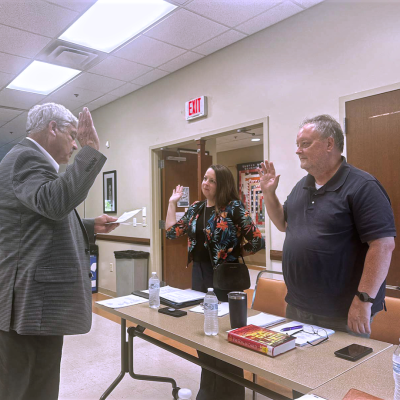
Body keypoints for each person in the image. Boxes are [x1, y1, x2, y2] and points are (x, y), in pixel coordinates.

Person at [0, 103, 119, 400]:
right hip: (29, 306)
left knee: (38, 381)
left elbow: (38, 217)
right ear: (52, 128)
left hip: (34, 303)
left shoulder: (27, 162)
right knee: (28, 387)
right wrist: (91, 151)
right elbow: (54, 203)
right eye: (71, 134)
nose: (76, 143)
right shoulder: (25, 158)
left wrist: (91, 225)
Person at [260, 114, 396, 337]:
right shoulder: (301, 186)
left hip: (342, 312)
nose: (298, 151)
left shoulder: (362, 186)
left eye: (305, 144)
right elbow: (283, 224)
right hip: (298, 306)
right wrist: (268, 193)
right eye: (298, 145)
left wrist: (363, 300)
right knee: (295, 370)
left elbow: (382, 245)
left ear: (329, 144)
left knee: (339, 372)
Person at [166, 164, 265, 400]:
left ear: (222, 184)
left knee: (225, 336)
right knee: (205, 332)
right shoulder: (196, 209)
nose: (205, 183)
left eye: (211, 180)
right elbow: (171, 232)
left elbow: (256, 241)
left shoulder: (233, 208)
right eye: (204, 178)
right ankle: (209, 388)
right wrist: (172, 202)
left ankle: (230, 393)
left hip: (226, 278)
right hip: (200, 275)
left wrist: (232, 253)